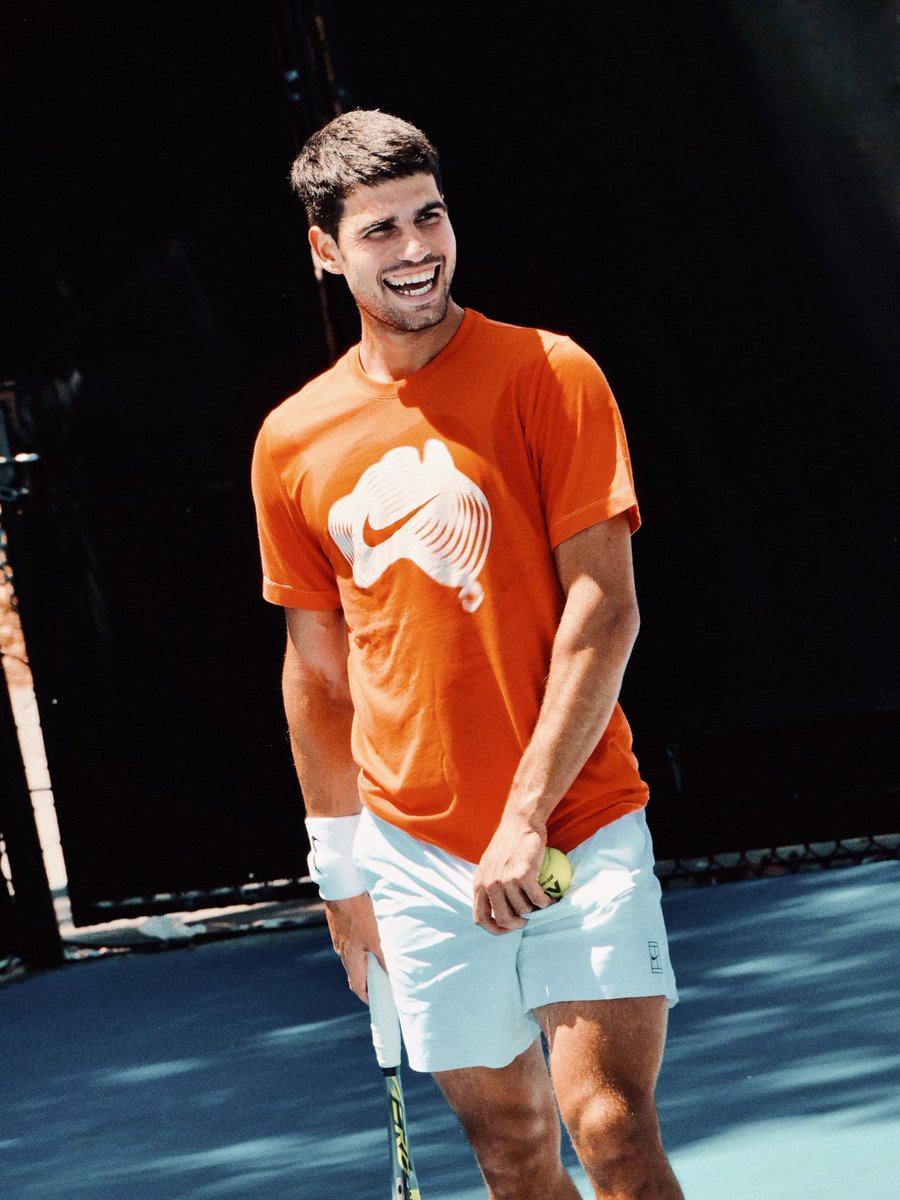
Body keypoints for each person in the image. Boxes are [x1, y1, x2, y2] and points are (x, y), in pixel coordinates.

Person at [251, 109, 684, 1200]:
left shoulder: (550, 372)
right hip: (413, 854)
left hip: (575, 821)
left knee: (611, 1127)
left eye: (430, 217)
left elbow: (604, 611)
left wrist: (526, 818)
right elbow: (319, 673)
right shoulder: (291, 440)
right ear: (325, 250)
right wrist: (343, 876)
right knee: (513, 1152)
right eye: (380, 230)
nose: (415, 250)